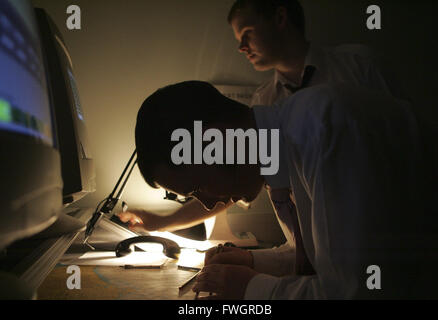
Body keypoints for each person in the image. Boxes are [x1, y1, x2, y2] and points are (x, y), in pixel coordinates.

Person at [133, 80, 438, 299]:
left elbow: (355, 291)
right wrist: (253, 263)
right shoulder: (277, 155)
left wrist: (251, 289)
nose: (204, 201)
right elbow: (326, 258)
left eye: (196, 187)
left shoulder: (325, 130)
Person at [118, 0, 402, 235]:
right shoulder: (263, 103)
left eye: (247, 34)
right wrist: (164, 222)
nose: (242, 47)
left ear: (280, 17)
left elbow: (402, 142)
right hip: (315, 249)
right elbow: (231, 182)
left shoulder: (357, 66)